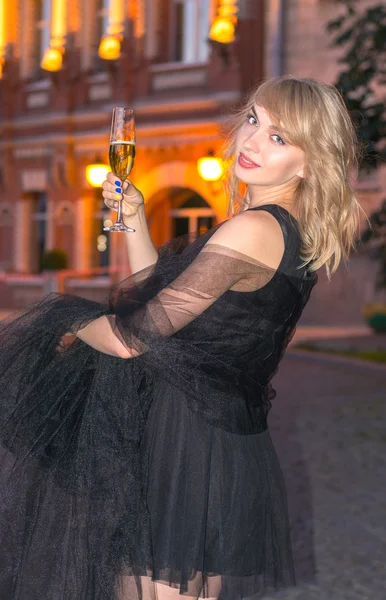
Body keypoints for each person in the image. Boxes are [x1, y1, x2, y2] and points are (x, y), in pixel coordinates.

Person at [0, 76, 360, 600]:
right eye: (255, 121)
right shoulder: (283, 229)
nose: (253, 141)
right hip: (216, 442)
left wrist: (65, 323)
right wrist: (134, 222)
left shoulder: (252, 230)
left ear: (308, 162)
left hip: (182, 440)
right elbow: (162, 304)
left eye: (279, 138)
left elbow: (133, 338)